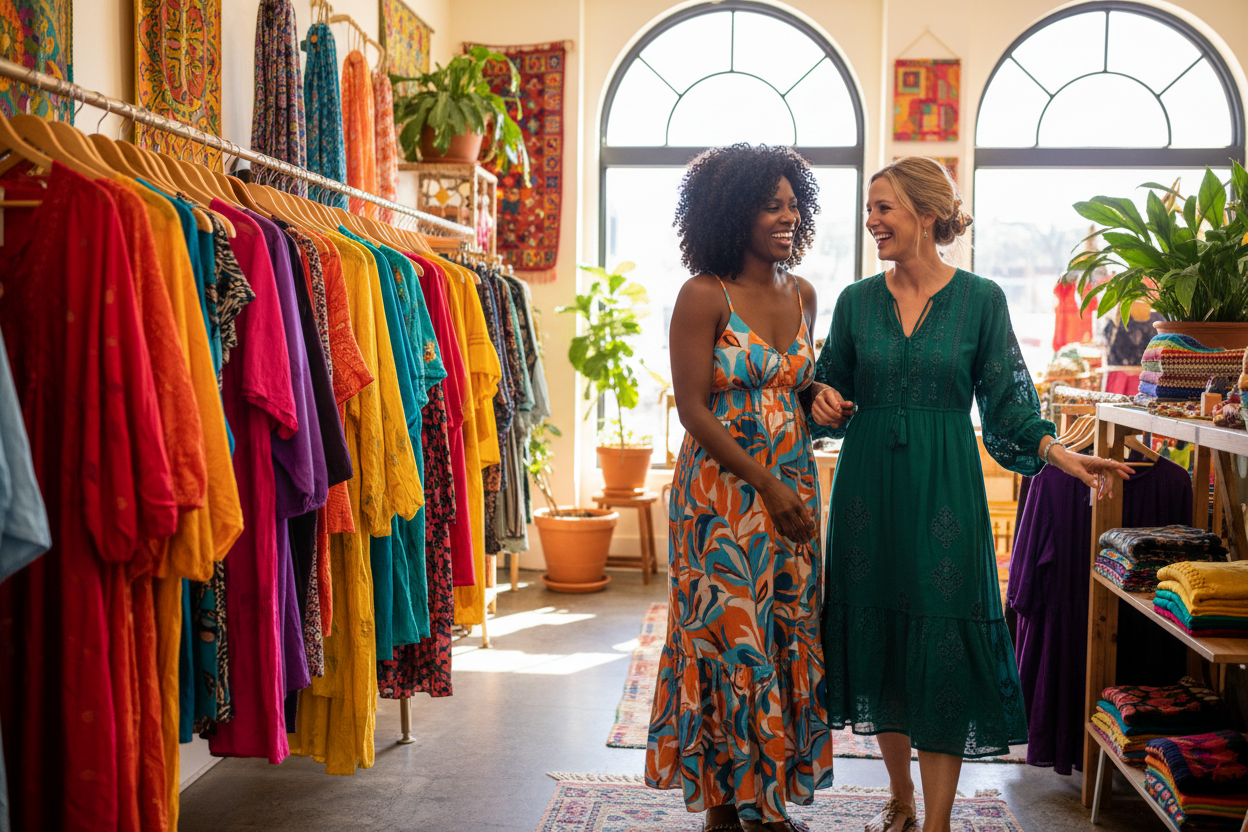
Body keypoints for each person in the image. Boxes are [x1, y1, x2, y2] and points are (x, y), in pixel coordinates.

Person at [809, 156, 1133, 832]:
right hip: (867, 492)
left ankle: (937, 821)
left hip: (945, 491)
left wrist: (1058, 452)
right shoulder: (855, 302)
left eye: (884, 208)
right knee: (882, 638)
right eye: (869, 210)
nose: (872, 221)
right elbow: (826, 384)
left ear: (927, 214)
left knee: (944, 642)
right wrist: (824, 398)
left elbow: (1010, 406)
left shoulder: (982, 300)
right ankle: (901, 798)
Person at [646, 144, 835, 832]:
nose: (787, 216)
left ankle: (769, 796)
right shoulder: (704, 295)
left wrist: (819, 396)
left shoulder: (803, 293)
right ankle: (725, 806)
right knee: (728, 636)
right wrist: (766, 486)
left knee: (785, 627)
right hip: (721, 497)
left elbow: (792, 382)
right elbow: (694, 409)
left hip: (793, 484)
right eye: (769, 205)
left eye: (792, 204)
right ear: (731, 213)